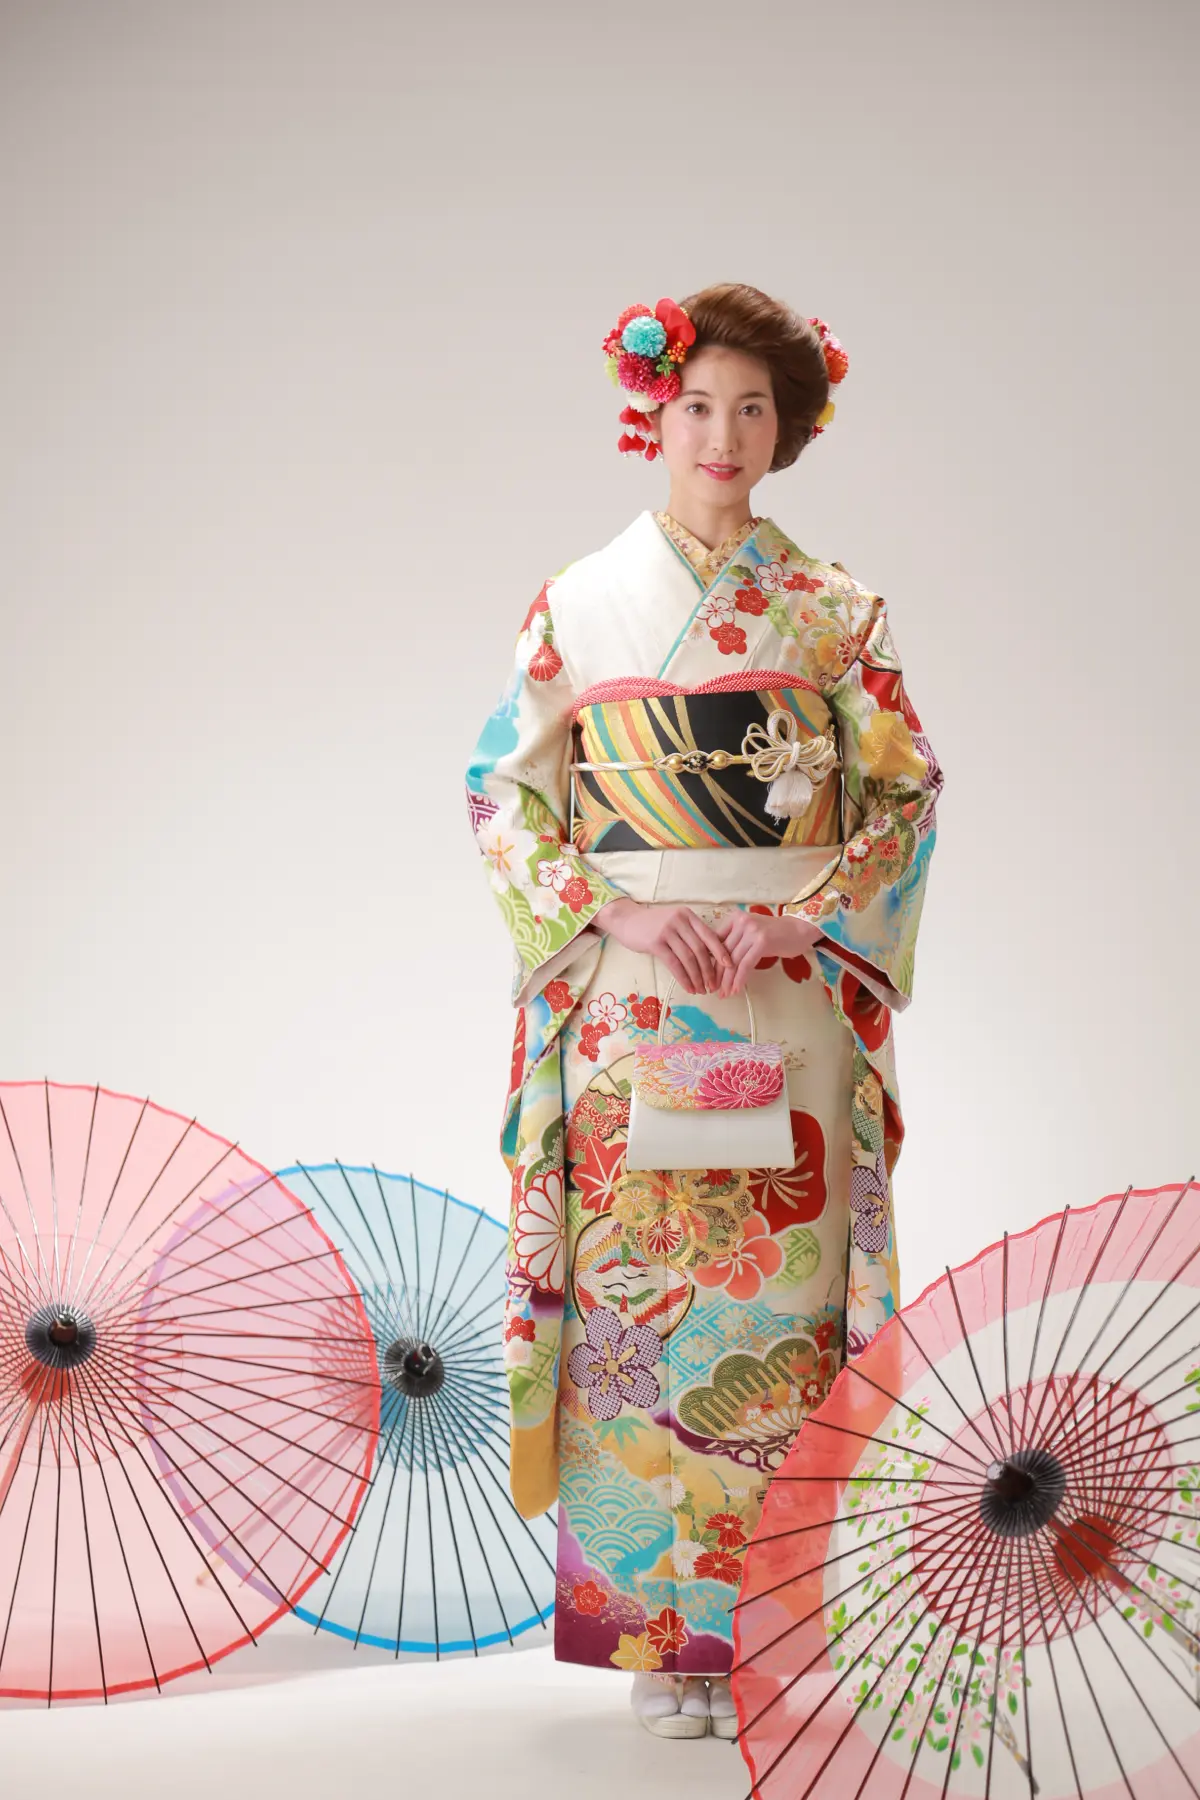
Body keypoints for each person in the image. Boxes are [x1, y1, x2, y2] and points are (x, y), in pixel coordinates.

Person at [466, 283, 942, 1739]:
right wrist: (614, 907)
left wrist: (804, 914)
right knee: (635, 1303)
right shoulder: (576, 603)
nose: (722, 435)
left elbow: (905, 797)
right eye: (696, 407)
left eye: (752, 409)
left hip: (782, 994)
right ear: (653, 416)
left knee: (777, 1301)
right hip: (633, 997)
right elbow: (501, 791)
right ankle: (656, 1641)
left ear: (787, 429)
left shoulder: (836, 612)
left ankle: (769, 1629)